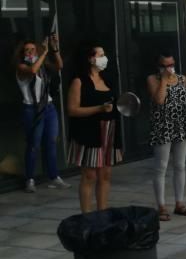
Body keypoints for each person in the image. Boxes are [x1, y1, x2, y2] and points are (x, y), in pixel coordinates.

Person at [67, 44, 122, 213]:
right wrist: (98, 109)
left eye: (104, 54)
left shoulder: (108, 79)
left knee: (105, 174)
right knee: (89, 175)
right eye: (100, 55)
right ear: (90, 58)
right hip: (89, 132)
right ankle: (87, 215)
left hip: (109, 130)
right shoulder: (79, 81)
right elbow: (72, 109)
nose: (104, 58)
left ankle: (102, 212)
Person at [15, 35, 70, 193]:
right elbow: (32, 70)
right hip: (32, 109)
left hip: (48, 107)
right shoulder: (21, 67)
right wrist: (44, 53)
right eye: (27, 50)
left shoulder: (43, 65)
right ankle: (30, 179)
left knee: (51, 142)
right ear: (22, 53)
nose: (31, 52)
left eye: (33, 49)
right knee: (33, 145)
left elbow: (59, 65)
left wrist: (54, 49)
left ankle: (54, 177)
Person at [147, 50, 186, 221]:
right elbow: (159, 100)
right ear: (159, 66)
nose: (169, 68)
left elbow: (184, 100)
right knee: (161, 166)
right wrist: (165, 80)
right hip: (163, 126)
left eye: (171, 65)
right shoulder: (153, 79)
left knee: (180, 165)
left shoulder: (182, 79)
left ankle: (179, 202)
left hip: (180, 124)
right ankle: (161, 205)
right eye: (165, 65)